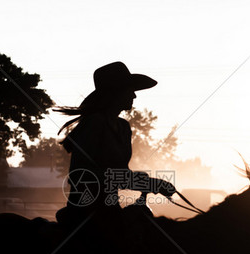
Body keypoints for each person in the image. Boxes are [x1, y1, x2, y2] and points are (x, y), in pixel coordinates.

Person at [55, 61, 175, 229]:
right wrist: (147, 184)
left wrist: (142, 181)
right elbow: (80, 175)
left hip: (111, 208)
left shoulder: (123, 127)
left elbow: (121, 173)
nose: (134, 96)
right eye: (130, 90)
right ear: (116, 92)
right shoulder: (94, 124)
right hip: (86, 213)